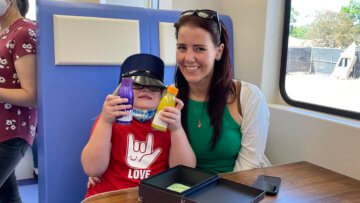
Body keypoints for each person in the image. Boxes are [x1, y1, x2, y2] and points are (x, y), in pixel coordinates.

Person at [81, 53, 195, 198]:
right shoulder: (110, 120)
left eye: (153, 87)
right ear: (122, 90)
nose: (146, 89)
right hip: (110, 195)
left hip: (152, 196)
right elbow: (92, 169)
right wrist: (105, 121)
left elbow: (185, 172)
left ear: (162, 94)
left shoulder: (170, 123)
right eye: (137, 85)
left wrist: (177, 129)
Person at [174, 9, 270, 173]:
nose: (188, 58)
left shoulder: (248, 97)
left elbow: (248, 169)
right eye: (182, 48)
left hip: (234, 189)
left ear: (218, 51)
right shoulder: (168, 96)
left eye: (199, 49)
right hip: (184, 188)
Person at [0, 0, 37, 202]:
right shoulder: (4, 34)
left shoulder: (24, 31)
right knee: (7, 196)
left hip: (12, 133)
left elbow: (32, 96)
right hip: (2, 130)